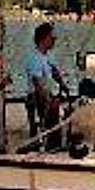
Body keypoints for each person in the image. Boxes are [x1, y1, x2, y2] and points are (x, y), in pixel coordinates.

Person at [24, 22, 68, 151]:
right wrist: (48, 99)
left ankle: (54, 147)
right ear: (44, 39)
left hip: (47, 96)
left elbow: (53, 71)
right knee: (44, 126)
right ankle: (43, 147)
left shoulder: (46, 57)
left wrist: (63, 84)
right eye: (52, 38)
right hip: (38, 98)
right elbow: (37, 82)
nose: (54, 40)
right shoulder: (34, 58)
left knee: (55, 125)